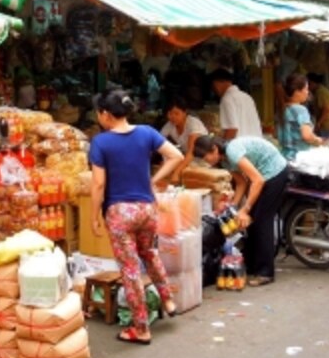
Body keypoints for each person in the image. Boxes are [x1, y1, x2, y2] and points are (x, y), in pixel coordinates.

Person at [89, 89, 183, 344]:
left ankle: (140, 328)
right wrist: (154, 180)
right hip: (146, 209)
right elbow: (177, 156)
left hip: (120, 213)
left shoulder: (101, 142)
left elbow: (98, 184)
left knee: (130, 270)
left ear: (106, 115)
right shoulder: (147, 133)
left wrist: (93, 215)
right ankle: (168, 300)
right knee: (150, 254)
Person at [193, 135, 288, 287]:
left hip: (274, 174)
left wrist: (246, 208)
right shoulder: (224, 160)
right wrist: (233, 206)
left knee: (261, 222)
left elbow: (258, 180)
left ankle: (265, 272)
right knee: (250, 221)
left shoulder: (233, 151)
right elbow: (241, 183)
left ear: (215, 149)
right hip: (262, 177)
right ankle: (251, 264)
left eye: (207, 157)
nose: (207, 162)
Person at [160, 95, 207, 182]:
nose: (172, 117)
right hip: (186, 159)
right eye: (170, 113)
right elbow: (158, 142)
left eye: (176, 113)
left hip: (202, 160)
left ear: (185, 112)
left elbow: (191, 153)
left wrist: (176, 173)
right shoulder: (169, 125)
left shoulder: (193, 124)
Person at [279, 73, 323, 161]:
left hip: (285, 156)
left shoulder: (284, 109)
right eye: (306, 89)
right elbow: (306, 135)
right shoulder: (300, 110)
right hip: (298, 158)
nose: (307, 92)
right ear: (297, 92)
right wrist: (318, 140)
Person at [209, 69, 262, 139]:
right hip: (256, 144)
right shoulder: (247, 97)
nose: (214, 90)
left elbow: (232, 130)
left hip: (240, 146)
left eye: (213, 86)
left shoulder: (227, 99)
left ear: (219, 82)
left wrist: (222, 144)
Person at [307, 73, 329, 138]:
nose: (307, 87)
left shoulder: (320, 92)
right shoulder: (323, 91)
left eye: (308, 84)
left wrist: (318, 124)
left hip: (328, 128)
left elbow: (327, 109)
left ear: (311, 82)